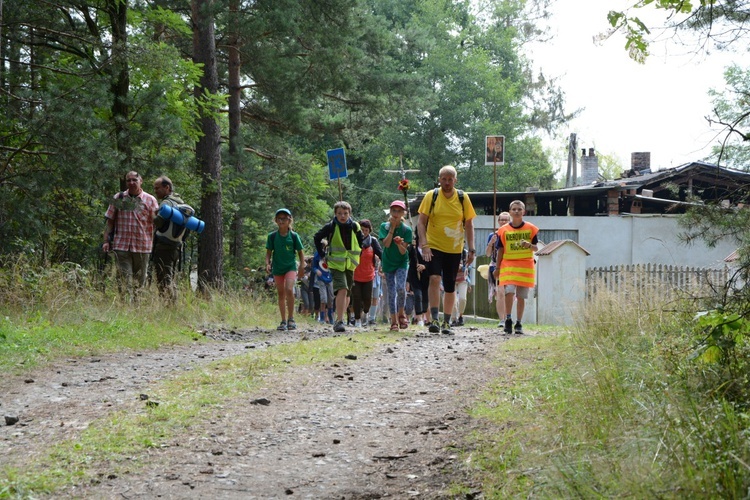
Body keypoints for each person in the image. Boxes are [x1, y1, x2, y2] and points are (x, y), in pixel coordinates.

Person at [416, 165, 477, 335]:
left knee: (450, 285)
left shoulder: (462, 197)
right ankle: (434, 318)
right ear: (439, 179)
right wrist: (425, 245)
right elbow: (421, 222)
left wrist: (471, 249)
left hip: (454, 248)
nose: (447, 182)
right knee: (434, 278)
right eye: (444, 179)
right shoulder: (431, 196)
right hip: (434, 245)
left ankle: (447, 321)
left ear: (455, 180)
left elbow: (469, 224)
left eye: (450, 179)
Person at [102, 171, 159, 303]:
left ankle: (136, 308)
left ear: (141, 181)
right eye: (129, 180)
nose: (132, 183)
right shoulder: (119, 198)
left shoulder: (150, 200)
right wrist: (106, 241)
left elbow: (156, 223)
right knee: (124, 279)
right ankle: (125, 306)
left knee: (139, 281)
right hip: (121, 246)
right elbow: (110, 221)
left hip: (142, 246)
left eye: (135, 180)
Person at [313, 201, 364, 333]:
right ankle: (339, 321)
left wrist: (359, 253)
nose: (342, 216)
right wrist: (322, 253)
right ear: (335, 214)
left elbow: (360, 241)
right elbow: (317, 237)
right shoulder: (330, 226)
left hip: (350, 264)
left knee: (347, 292)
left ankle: (340, 317)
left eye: (345, 213)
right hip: (335, 264)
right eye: (339, 213)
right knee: (342, 289)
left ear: (350, 214)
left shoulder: (355, 226)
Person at [496, 200, 539, 334]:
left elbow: (536, 247)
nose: (516, 211)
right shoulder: (503, 231)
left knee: (521, 296)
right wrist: (497, 268)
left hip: (525, 266)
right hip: (508, 265)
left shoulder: (531, 228)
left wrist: (529, 246)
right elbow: (500, 250)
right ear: (510, 212)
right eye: (514, 209)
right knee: (509, 291)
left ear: (524, 212)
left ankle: (519, 322)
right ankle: (508, 319)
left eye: (519, 209)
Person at [151, 176, 191, 303]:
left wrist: (151, 214)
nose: (155, 191)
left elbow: (159, 223)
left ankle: (168, 305)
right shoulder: (181, 202)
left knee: (163, 277)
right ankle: (171, 303)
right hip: (176, 246)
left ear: (166, 187)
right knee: (170, 276)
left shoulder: (166, 203)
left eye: (157, 188)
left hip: (163, 246)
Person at [265, 208, 305, 331]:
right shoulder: (272, 236)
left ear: (289, 220)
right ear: (276, 221)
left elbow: (300, 252)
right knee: (281, 293)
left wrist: (302, 265)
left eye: (284, 218)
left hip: (290, 267)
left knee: (289, 289)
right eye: (279, 218)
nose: (281, 221)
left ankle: (291, 318)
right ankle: (283, 320)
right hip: (278, 268)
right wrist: (267, 263)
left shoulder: (293, 236)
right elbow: (268, 253)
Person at [379, 200, 413, 331]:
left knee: (400, 288)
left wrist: (399, 243)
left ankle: (401, 314)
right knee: (391, 292)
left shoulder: (406, 230)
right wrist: (392, 229)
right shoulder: (384, 226)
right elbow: (386, 244)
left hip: (401, 263)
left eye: (399, 211)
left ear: (403, 213)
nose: (396, 213)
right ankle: (393, 321)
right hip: (388, 262)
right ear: (390, 211)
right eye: (394, 210)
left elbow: (403, 251)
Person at [351, 220, 382, 328]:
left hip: (369, 275)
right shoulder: (353, 240)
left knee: (367, 298)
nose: (364, 232)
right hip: (355, 274)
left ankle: (366, 312)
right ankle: (357, 319)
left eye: (366, 230)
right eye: (362, 230)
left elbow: (380, 254)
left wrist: (386, 266)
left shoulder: (373, 241)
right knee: (356, 297)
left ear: (369, 231)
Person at [486, 211, 510, 325]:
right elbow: (487, 254)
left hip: (510, 266)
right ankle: (502, 319)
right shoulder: (493, 235)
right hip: (497, 266)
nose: (504, 221)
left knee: (509, 293)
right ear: (498, 221)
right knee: (500, 292)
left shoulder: (511, 234)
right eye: (502, 219)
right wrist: (491, 243)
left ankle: (508, 317)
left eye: (506, 219)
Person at [407, 232, 430, 327]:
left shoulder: (430, 247)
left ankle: (424, 315)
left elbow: (433, 262)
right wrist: (407, 281)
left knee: (425, 297)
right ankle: (419, 318)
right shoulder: (412, 248)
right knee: (418, 295)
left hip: (426, 276)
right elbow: (407, 261)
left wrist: (424, 266)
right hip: (414, 275)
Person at [451, 248, 472, 326]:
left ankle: (460, 316)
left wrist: (469, 283)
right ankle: (453, 319)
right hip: (451, 278)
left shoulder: (466, 253)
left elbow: (469, 268)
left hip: (463, 278)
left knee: (463, 298)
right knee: (453, 300)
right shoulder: (450, 251)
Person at [312, 248, 333, 324]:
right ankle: (322, 317)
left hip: (330, 279)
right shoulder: (317, 254)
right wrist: (316, 271)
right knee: (323, 298)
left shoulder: (331, 253)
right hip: (321, 279)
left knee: (331, 298)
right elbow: (314, 266)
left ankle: (330, 316)